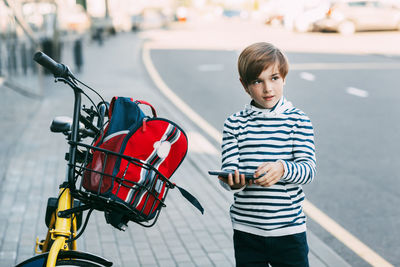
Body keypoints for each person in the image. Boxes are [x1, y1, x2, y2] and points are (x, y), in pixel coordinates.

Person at [218, 42, 316, 266]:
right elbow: (229, 170)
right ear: (245, 85)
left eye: (274, 78)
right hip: (247, 230)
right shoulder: (234, 124)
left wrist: (282, 168)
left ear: (284, 78)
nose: (267, 88)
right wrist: (232, 181)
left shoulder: (298, 121)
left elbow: (308, 170)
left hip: (289, 231)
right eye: (257, 81)